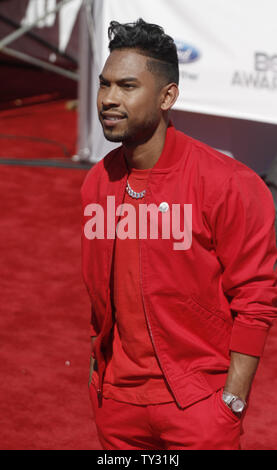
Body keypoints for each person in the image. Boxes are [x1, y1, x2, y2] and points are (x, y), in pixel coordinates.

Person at [81, 18, 277, 450]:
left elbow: (257, 299)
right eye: (105, 84)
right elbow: (101, 289)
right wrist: (99, 369)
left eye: (127, 86)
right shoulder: (97, 182)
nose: (109, 100)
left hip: (198, 405)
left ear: (168, 95)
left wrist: (233, 400)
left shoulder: (230, 183)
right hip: (117, 403)